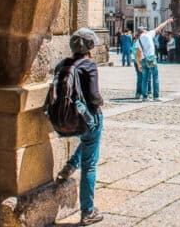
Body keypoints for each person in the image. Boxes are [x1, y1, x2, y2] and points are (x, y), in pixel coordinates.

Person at [55, 28, 104, 225]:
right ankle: (88, 211)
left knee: (87, 141)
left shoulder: (62, 64)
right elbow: (93, 96)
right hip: (87, 117)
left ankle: (70, 166)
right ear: (90, 46)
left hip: (66, 118)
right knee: (90, 163)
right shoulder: (89, 65)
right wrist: (100, 102)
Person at [136, 18, 174, 101]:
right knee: (155, 76)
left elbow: (138, 52)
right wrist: (167, 21)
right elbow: (159, 27)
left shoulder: (138, 40)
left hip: (143, 59)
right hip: (150, 58)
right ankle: (156, 96)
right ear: (144, 31)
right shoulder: (148, 35)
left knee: (145, 78)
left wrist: (139, 64)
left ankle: (145, 97)